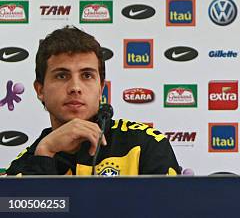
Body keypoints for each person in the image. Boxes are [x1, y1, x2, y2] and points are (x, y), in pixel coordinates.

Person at [6, 26, 180, 176]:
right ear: (40, 90)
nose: (75, 87)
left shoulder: (146, 144)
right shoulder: (22, 167)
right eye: (61, 75)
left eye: (87, 75)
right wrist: (45, 154)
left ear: (101, 88)